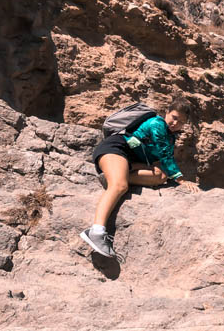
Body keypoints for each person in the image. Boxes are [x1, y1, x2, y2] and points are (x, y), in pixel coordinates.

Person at [80, 96, 200, 258]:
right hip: (116, 148)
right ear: (167, 113)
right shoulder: (157, 124)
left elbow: (159, 162)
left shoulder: (170, 136)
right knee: (120, 186)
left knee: (160, 176)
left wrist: (172, 177)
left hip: (130, 161)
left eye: (181, 122)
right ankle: (96, 232)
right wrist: (181, 180)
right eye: (174, 118)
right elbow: (165, 154)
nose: (175, 124)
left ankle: (113, 176)